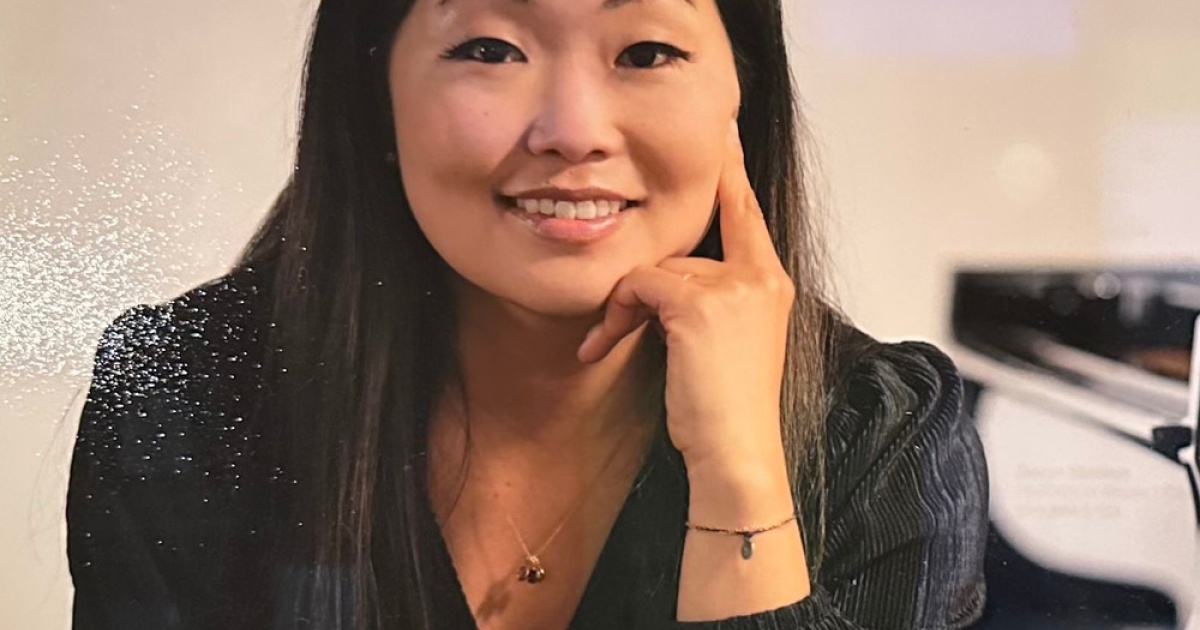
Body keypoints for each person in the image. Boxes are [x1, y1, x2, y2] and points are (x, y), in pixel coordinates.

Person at [66, 0, 990, 628]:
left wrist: (739, 474)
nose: (574, 130)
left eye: (645, 52)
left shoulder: (885, 432)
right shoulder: (186, 394)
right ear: (374, 92)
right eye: (490, 49)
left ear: (739, 95)